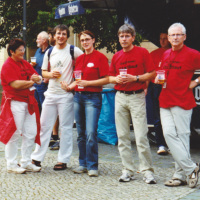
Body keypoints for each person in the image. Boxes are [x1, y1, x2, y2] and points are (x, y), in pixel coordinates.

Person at [109, 24, 156, 184]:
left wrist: (135, 78)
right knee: (122, 136)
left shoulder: (142, 52)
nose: (124, 39)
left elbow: (152, 73)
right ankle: (127, 170)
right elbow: (110, 77)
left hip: (136, 95)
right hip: (120, 96)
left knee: (141, 135)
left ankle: (147, 171)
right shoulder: (116, 56)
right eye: (121, 36)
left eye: (127, 36)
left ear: (133, 38)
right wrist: (116, 79)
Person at [31, 24, 83, 170]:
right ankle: (36, 157)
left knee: (66, 128)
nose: (61, 36)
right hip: (51, 93)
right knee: (44, 125)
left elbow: (84, 63)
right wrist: (50, 74)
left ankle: (63, 160)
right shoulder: (50, 51)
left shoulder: (74, 50)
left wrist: (75, 81)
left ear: (67, 36)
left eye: (64, 34)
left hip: (66, 95)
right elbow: (44, 72)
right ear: (54, 36)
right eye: (58, 34)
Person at [156, 23, 200, 188]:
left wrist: (195, 82)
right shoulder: (166, 54)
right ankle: (191, 168)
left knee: (182, 137)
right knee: (168, 135)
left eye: (178, 35)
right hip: (165, 99)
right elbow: (161, 75)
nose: (175, 37)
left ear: (184, 37)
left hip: (182, 100)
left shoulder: (193, 54)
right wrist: (157, 79)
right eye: (172, 35)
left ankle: (179, 175)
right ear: (168, 38)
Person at [61, 30, 109, 177]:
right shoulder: (80, 59)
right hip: (78, 97)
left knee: (90, 132)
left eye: (87, 39)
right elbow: (78, 79)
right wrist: (69, 87)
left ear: (93, 40)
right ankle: (83, 163)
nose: (85, 42)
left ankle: (93, 165)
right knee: (80, 133)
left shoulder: (100, 57)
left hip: (93, 97)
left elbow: (106, 79)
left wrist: (89, 83)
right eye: (82, 40)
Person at [0, 38, 42, 174]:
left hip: (28, 101)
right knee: (14, 133)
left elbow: (37, 77)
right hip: (15, 102)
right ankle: (11, 164)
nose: (23, 52)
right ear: (12, 52)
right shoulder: (7, 66)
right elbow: (16, 85)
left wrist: (37, 79)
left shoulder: (24, 63)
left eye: (23, 49)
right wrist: (32, 81)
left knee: (31, 132)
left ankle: (26, 161)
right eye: (20, 50)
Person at [147, 32, 171, 155]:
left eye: (165, 39)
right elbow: (148, 72)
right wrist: (146, 87)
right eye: (160, 39)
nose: (162, 41)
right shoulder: (154, 54)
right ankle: (160, 144)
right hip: (156, 87)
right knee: (158, 116)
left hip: (171, 87)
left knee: (171, 116)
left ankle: (171, 144)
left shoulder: (174, 53)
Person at [32, 31, 51, 113]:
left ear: (44, 40)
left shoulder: (51, 51)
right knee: (36, 107)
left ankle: (46, 125)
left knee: (45, 109)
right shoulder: (38, 51)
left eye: (38, 39)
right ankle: (38, 125)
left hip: (45, 84)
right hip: (35, 84)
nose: (36, 41)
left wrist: (48, 78)